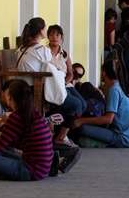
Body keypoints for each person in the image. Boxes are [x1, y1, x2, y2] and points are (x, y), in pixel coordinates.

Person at [0, 80, 63, 180]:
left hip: (30, 170)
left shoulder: (16, 117)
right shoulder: (34, 113)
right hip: (42, 169)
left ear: (9, 97)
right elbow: (18, 143)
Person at [17, 17, 86, 146]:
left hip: (22, 89)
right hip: (37, 92)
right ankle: (60, 136)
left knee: (68, 101)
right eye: (45, 28)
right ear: (42, 32)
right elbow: (52, 71)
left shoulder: (21, 50)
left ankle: (50, 127)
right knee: (75, 104)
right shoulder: (42, 50)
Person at [73, 60, 129, 148]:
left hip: (122, 138)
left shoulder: (114, 90)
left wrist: (82, 120)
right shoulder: (121, 87)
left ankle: (100, 142)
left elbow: (108, 119)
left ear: (104, 73)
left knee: (83, 128)